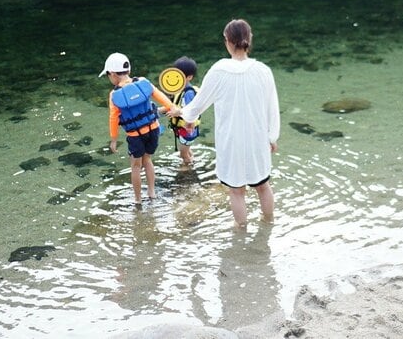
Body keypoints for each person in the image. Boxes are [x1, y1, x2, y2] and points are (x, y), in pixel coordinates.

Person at [169, 19, 280, 228]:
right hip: (257, 139)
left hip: (231, 141)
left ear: (228, 41)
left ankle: (241, 232)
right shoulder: (263, 71)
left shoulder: (219, 70)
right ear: (249, 39)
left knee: (236, 191)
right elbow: (272, 107)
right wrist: (272, 137)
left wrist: (182, 113)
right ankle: (268, 227)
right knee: (263, 186)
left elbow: (198, 105)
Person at [100, 52, 175, 205]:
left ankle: (138, 199)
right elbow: (161, 97)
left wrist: (114, 139)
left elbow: (113, 118)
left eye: (108, 75)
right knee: (147, 160)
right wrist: (172, 107)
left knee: (135, 166)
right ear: (128, 70)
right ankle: (152, 192)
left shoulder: (114, 95)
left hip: (135, 135)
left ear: (113, 74)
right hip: (153, 130)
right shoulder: (143, 82)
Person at [169, 56, 200, 165]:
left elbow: (192, 111)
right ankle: (193, 159)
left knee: (183, 154)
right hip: (182, 128)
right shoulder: (179, 89)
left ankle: (188, 168)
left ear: (189, 77)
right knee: (186, 149)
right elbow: (174, 104)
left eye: (180, 75)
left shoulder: (188, 93)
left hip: (188, 129)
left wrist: (179, 113)